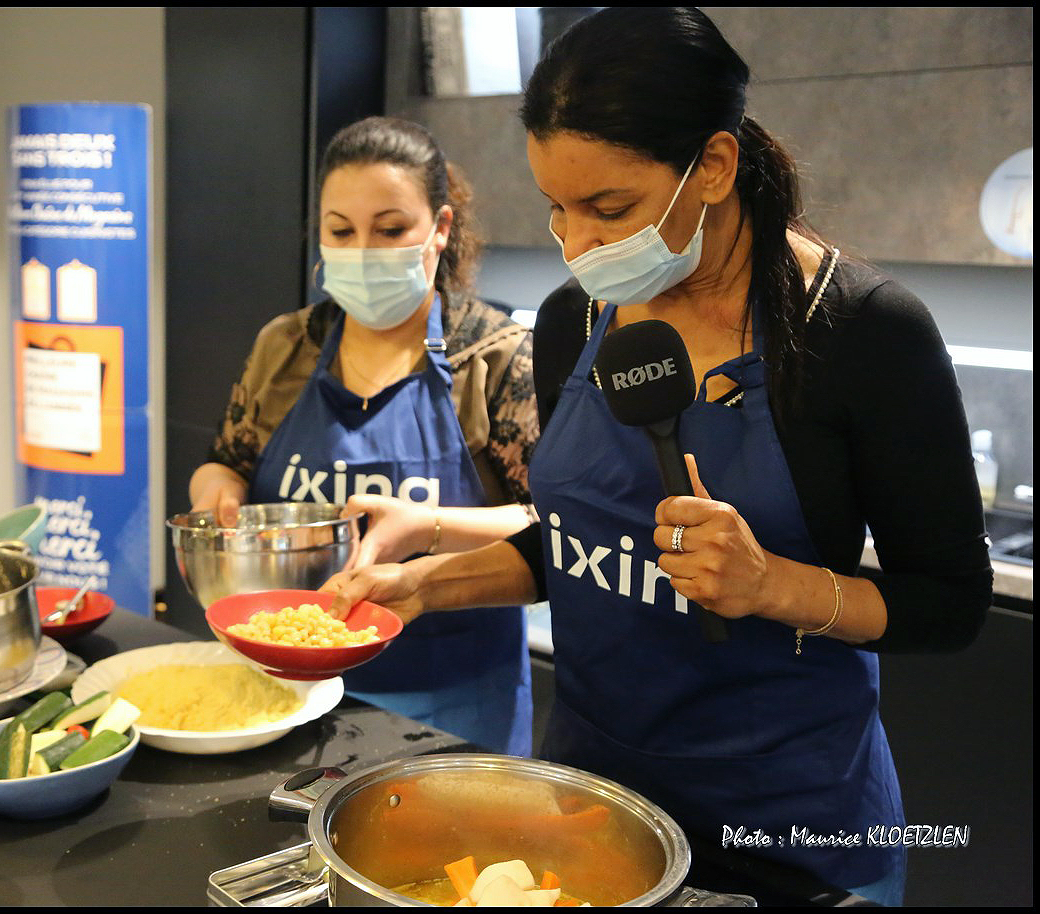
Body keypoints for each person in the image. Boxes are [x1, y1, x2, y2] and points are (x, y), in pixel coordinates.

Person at [321, 8, 993, 905]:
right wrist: (423, 586)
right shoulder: (573, 320)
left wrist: (772, 586)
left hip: (790, 829)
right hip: (592, 810)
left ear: (712, 165)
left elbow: (950, 603)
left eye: (610, 209)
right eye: (557, 209)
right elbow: (577, 543)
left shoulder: (863, 333)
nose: (577, 245)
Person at [189, 116, 540, 756]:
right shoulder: (286, 345)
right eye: (342, 231)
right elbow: (225, 461)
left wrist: (427, 526)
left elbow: (552, 525)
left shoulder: (496, 358)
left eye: (390, 229)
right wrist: (218, 494)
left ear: (439, 228)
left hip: (452, 707)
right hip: (287, 689)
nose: (364, 250)